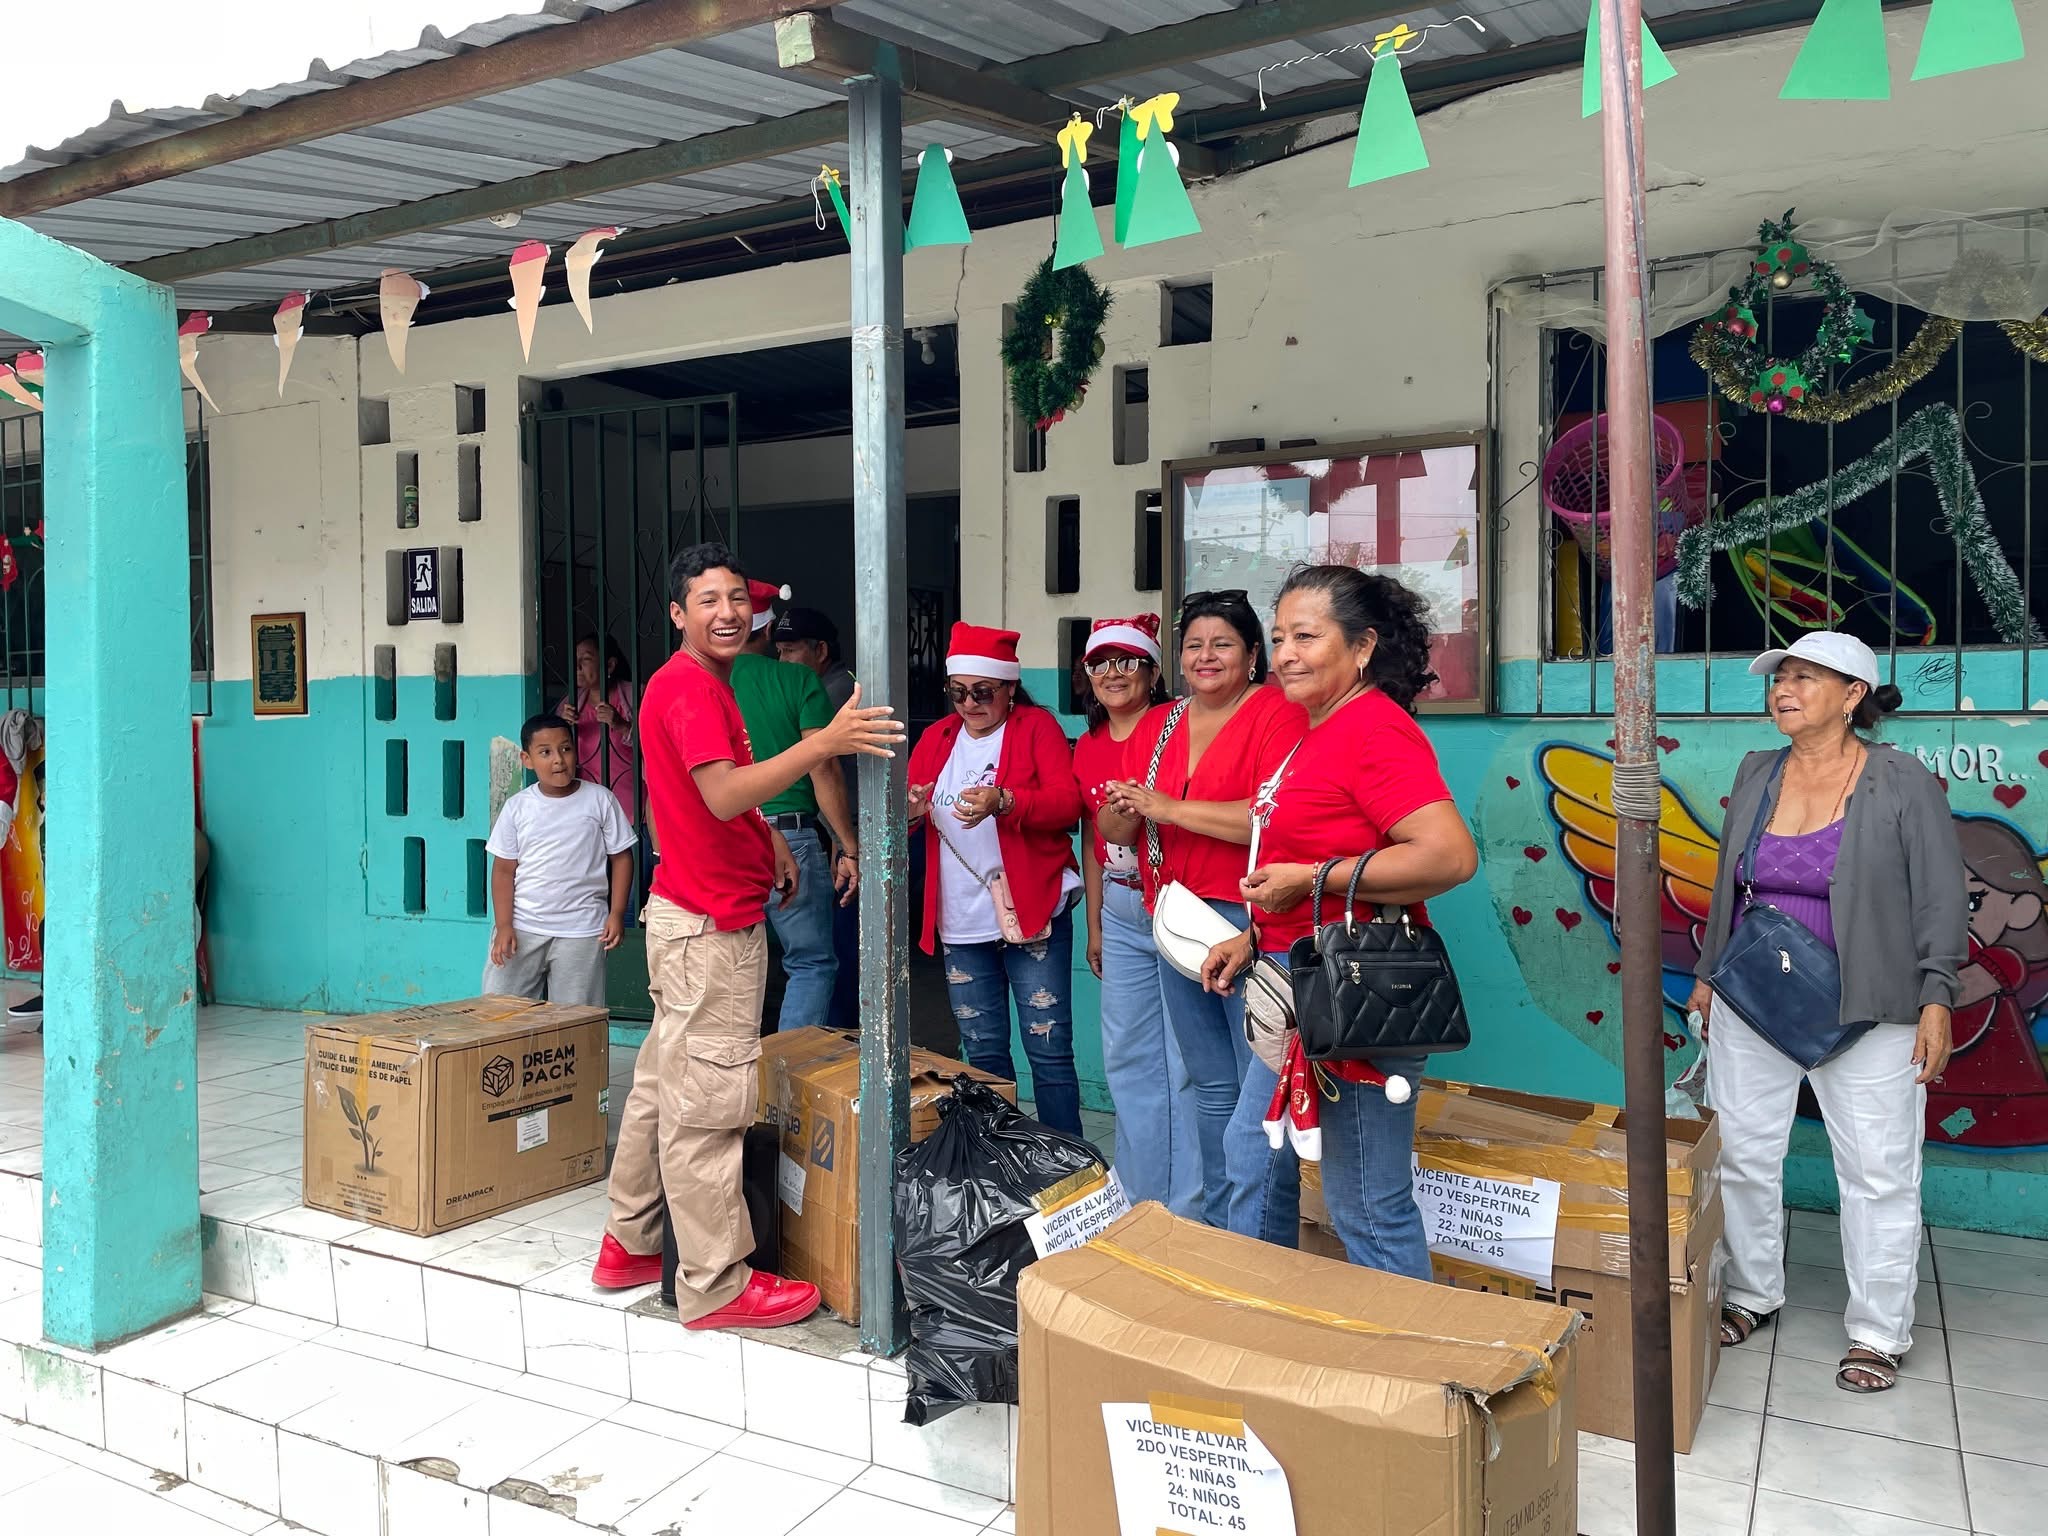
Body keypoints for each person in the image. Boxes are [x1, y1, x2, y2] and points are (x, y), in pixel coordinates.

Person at [592, 543, 903, 1329]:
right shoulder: (693, 688)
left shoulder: (697, 684)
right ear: (678, 614)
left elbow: (700, 798)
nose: (728, 612)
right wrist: (822, 743)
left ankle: (630, 1241)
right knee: (708, 1107)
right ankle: (715, 1283)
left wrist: (766, 840)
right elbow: (724, 793)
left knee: (661, 1085)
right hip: (710, 930)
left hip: (690, 913)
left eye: (736, 598)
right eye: (708, 601)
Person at [1689, 631, 1964, 1393]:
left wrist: (1937, 995)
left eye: (1806, 678)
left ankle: (1878, 1333)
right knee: (1743, 1153)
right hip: (1756, 995)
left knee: (1878, 1171)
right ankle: (1751, 1292)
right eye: (1780, 677)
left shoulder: (1900, 779)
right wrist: (1710, 973)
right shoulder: (1757, 770)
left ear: (1853, 695)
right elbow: (1728, 885)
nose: (1784, 689)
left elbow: (1941, 894)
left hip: (1871, 1004)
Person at [1200, 565, 1477, 1274]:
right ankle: (1269, 1316)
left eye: (1307, 637)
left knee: (1366, 1205)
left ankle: (1408, 1346)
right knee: (1253, 1155)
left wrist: (1312, 878)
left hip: (1355, 994)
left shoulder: (1374, 729)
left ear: (1362, 647)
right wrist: (1253, 935)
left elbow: (1449, 855)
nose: (1286, 654)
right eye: (1280, 637)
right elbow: (1304, 843)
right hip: (1294, 984)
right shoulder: (1302, 727)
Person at [1097, 590, 1306, 1227]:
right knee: (1210, 1084)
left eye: (1222, 644)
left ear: (1252, 655)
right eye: (1193, 645)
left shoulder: (1278, 712)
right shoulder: (1161, 723)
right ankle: (1218, 1229)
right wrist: (1123, 809)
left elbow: (1272, 819)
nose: (1205, 656)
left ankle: (1261, 1236)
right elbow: (1116, 828)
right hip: (1176, 917)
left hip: (1253, 922)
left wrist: (1167, 808)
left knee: (1257, 1091)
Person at [907, 623, 1086, 1136]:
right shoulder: (938, 738)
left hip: (1031, 907)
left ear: (1009, 688)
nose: (969, 704)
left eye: (983, 692)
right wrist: (911, 809)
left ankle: (1067, 1163)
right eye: (958, 692)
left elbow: (1068, 805)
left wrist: (1005, 801)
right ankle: (999, 1162)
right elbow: (909, 810)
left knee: (1048, 1048)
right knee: (982, 1054)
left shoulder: (1035, 728)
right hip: (961, 917)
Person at [1073, 615, 1200, 1214]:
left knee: (1184, 1061)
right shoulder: (1089, 743)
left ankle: (1189, 1207)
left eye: (1128, 661)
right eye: (1100, 663)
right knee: (1127, 1056)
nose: (1113, 673)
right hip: (1122, 908)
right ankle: (1137, 1197)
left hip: (1177, 902)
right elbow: (1091, 838)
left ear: (1153, 671)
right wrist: (1096, 923)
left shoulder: (1179, 724)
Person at [730, 580, 860, 1032]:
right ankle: (788, 1072)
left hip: (725, 837)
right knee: (810, 963)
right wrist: (848, 846)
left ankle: (731, 1070)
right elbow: (823, 767)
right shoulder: (798, 680)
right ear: (767, 633)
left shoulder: (700, 681)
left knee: (729, 964)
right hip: (793, 837)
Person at [483, 714, 637, 1005]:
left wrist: (616, 913)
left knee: (576, 1020)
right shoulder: (517, 808)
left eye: (565, 749)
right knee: (500, 1013)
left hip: (582, 931)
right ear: (527, 759)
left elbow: (622, 858)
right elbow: (503, 871)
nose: (558, 760)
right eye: (545, 752)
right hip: (522, 929)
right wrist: (504, 926)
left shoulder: (600, 799)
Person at [776, 606, 862, 1032]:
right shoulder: (822, 686)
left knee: (836, 953)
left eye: (790, 650)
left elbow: (824, 769)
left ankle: (837, 1043)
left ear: (821, 651)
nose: (782, 661)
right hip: (839, 836)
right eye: (778, 651)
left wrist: (845, 845)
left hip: (854, 835)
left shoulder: (830, 693)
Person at [558, 635, 639, 824]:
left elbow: (658, 745)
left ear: (609, 665)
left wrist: (623, 726)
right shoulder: (570, 704)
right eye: (575, 659)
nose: (577, 666)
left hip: (632, 809)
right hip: (587, 811)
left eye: (586, 659)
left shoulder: (636, 696)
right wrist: (562, 728)